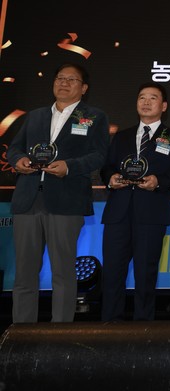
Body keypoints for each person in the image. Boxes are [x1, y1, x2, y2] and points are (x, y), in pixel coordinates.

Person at [8, 63, 109, 323]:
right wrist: (18, 160)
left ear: (84, 88)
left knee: (63, 273)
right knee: (24, 273)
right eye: (60, 78)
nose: (64, 83)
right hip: (28, 200)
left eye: (71, 79)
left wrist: (69, 167)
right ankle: (22, 332)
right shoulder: (35, 116)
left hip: (66, 201)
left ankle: (60, 332)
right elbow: (14, 148)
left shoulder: (93, 117)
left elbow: (99, 155)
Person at [100, 82, 170, 321]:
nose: (146, 102)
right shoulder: (122, 136)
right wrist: (111, 178)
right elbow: (106, 167)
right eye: (142, 98)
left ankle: (143, 329)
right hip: (118, 212)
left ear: (164, 106)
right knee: (112, 273)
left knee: (145, 274)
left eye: (153, 98)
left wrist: (159, 181)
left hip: (151, 212)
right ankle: (109, 328)